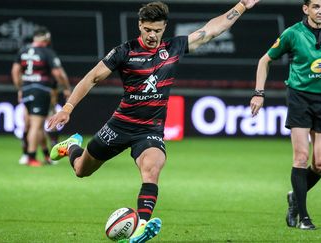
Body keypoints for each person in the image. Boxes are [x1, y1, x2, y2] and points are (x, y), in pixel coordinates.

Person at [47, 1, 259, 242]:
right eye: (147, 29)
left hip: (150, 130)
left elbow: (212, 29)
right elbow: (92, 77)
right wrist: (68, 107)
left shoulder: (175, 47)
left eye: (157, 30)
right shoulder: (124, 52)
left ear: (164, 27)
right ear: (140, 25)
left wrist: (242, 5)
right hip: (119, 126)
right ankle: (72, 146)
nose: (152, 35)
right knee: (81, 171)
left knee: (152, 168)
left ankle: (141, 227)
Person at [250, 0, 321, 230]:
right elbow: (264, 60)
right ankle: (304, 217)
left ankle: (295, 196)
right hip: (299, 98)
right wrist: (259, 93)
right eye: (315, 6)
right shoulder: (292, 33)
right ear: (305, 9)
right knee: (301, 157)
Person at [12, 26, 72, 167]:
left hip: (26, 89)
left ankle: (43, 154)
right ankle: (31, 157)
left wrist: (19, 88)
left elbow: (15, 71)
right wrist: (66, 88)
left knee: (31, 124)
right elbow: (58, 73)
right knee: (37, 125)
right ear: (46, 38)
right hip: (41, 90)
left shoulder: (23, 50)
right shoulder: (47, 52)